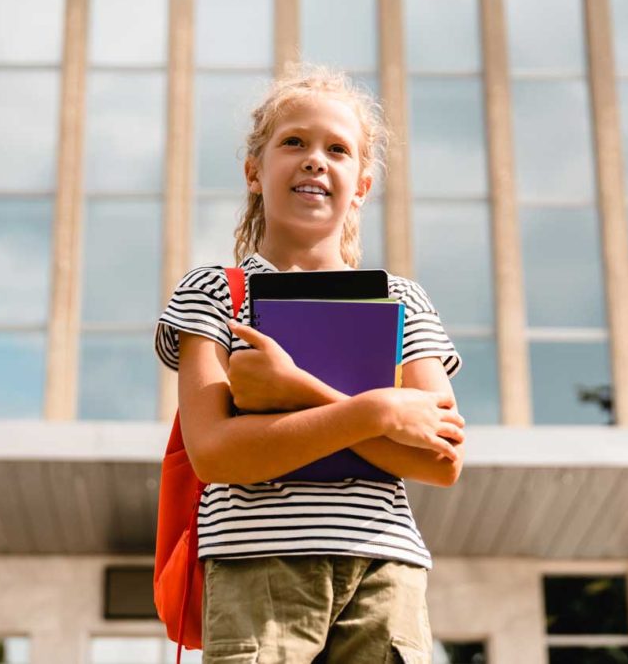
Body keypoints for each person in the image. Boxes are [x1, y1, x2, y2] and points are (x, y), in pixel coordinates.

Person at [154, 64, 465, 664]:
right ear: (254, 171)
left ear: (363, 184)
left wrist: (296, 389)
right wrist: (379, 414)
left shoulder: (403, 300)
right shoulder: (214, 291)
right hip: (255, 568)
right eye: (293, 141)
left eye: (338, 149)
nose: (315, 159)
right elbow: (217, 454)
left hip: (385, 572)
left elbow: (440, 459)